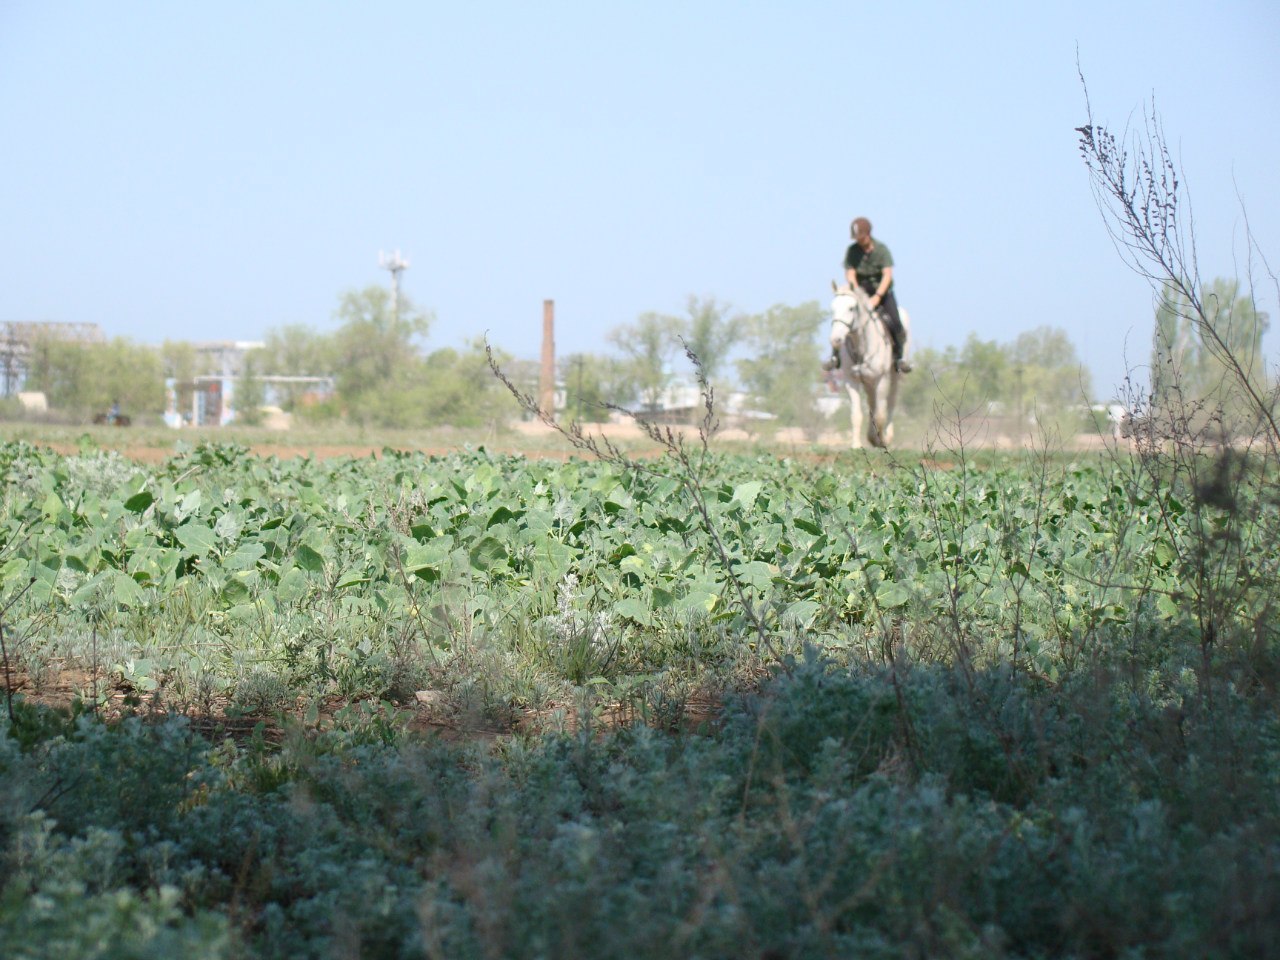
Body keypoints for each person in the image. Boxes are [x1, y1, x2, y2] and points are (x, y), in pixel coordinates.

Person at [829, 217, 912, 373]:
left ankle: (899, 358)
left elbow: (887, 275)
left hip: (882, 292)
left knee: (896, 322)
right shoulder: (852, 251)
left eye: (861, 237)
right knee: (842, 316)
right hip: (861, 292)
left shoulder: (881, 250)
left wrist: (877, 296)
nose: (859, 241)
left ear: (868, 234)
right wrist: (856, 291)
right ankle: (835, 356)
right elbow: (850, 273)